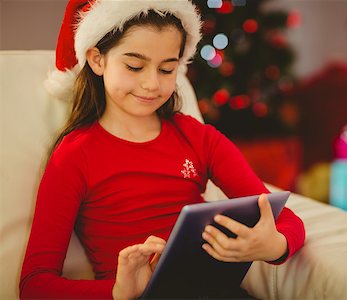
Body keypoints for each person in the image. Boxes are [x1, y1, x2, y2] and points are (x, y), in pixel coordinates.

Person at [20, 0, 306, 299]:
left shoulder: (198, 138)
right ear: (97, 60)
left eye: (167, 69)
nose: (151, 84)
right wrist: (117, 291)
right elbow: (34, 284)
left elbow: (283, 218)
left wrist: (275, 244)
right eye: (134, 66)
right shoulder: (75, 154)